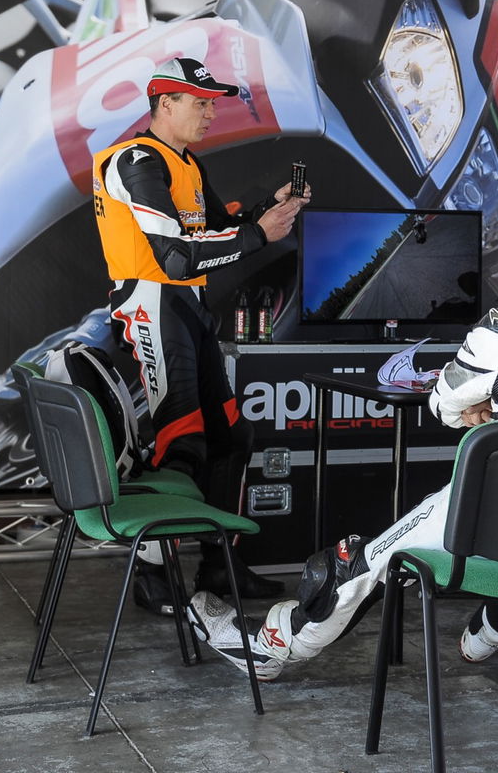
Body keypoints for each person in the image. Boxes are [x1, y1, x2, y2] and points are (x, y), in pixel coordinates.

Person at [188, 208, 498, 679]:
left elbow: (444, 406)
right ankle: (493, 632)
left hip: (491, 526)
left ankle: (273, 647)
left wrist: (488, 406)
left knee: (351, 566)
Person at [92, 57, 310, 602]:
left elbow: (218, 231)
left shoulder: (184, 162)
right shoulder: (137, 160)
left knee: (233, 437)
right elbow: (176, 257)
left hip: (186, 306)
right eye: (201, 102)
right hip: (150, 303)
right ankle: (151, 575)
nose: (212, 113)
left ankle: (219, 566)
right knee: (181, 440)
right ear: (165, 103)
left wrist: (268, 211)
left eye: (213, 103)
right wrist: (258, 234)